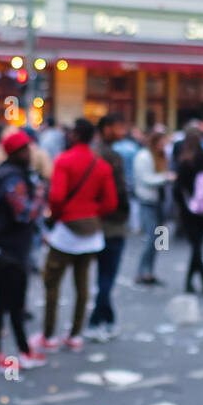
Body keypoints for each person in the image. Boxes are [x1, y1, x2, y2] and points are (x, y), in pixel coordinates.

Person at [34, 120, 116, 352]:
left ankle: (49, 335)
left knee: (52, 282)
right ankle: (75, 334)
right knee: (83, 286)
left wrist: (60, 216)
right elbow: (110, 203)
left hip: (66, 231)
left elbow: (57, 198)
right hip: (91, 232)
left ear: (75, 135)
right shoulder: (100, 165)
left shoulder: (64, 161)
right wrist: (91, 213)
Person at [0, 130, 47, 371]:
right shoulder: (13, 178)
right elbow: (24, 213)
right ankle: (9, 353)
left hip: (7, 246)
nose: (30, 153)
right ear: (16, 152)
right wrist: (40, 195)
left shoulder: (9, 174)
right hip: (10, 248)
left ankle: (10, 351)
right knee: (10, 302)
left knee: (7, 301)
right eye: (26, 149)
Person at [86, 114, 131, 341]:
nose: (121, 131)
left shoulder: (92, 153)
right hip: (110, 223)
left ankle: (106, 319)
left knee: (101, 276)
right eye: (117, 126)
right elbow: (119, 192)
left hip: (90, 222)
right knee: (107, 276)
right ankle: (96, 320)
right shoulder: (111, 157)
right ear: (105, 129)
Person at [173, 129, 203, 295]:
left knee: (196, 246)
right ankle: (196, 282)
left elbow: (177, 189)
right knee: (198, 244)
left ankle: (198, 281)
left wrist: (182, 206)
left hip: (189, 211)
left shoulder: (185, 163)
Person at [133, 127, 175, 285]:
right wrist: (165, 178)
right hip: (148, 201)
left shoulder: (161, 157)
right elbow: (145, 179)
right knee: (152, 238)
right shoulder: (144, 156)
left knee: (158, 240)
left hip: (160, 201)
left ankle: (149, 271)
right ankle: (141, 271)